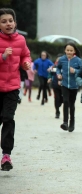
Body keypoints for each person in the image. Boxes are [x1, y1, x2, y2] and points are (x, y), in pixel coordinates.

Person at [0, 8, 31, 171]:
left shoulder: (21, 40)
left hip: (12, 87)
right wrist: (3, 56)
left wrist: (26, 63)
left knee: (8, 119)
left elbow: (26, 55)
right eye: (4, 21)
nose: (8, 24)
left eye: (10, 21)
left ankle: (6, 155)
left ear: (15, 23)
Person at [56, 42, 82, 132]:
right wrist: (59, 74)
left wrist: (75, 70)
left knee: (71, 104)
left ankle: (72, 123)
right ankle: (65, 122)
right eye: (67, 50)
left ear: (74, 51)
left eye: (71, 50)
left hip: (74, 86)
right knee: (65, 101)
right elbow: (58, 68)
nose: (69, 52)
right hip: (64, 84)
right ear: (65, 50)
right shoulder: (62, 59)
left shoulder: (78, 60)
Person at [48, 54, 63, 118]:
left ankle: (59, 104)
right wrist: (49, 78)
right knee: (57, 98)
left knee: (62, 99)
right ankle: (57, 111)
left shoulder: (65, 66)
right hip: (55, 85)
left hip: (63, 85)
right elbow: (50, 74)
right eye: (58, 59)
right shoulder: (54, 67)